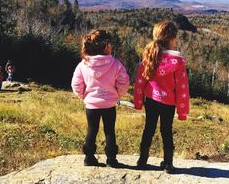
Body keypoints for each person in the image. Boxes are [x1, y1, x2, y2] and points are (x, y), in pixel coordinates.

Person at [134, 21, 190, 174]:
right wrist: (182, 111)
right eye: (175, 38)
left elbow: (140, 81)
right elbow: (182, 88)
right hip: (168, 103)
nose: (176, 41)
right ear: (171, 39)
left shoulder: (149, 56)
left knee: (148, 129)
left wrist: (138, 102)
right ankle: (168, 164)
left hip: (151, 100)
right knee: (166, 131)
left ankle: (142, 160)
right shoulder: (177, 62)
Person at [71, 29, 129, 167]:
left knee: (92, 130)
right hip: (109, 105)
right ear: (106, 46)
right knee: (109, 131)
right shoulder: (115, 64)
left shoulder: (83, 65)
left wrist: (83, 97)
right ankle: (111, 159)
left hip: (91, 105)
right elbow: (124, 82)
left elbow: (76, 84)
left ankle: (89, 158)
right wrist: (117, 95)